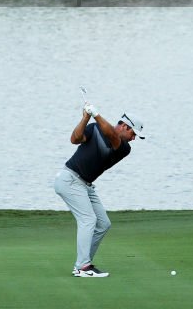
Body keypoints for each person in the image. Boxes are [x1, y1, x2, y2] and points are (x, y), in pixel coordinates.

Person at [54, 102, 145, 278]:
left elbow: (112, 135)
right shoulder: (95, 127)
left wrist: (96, 113)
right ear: (125, 126)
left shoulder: (124, 147)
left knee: (103, 224)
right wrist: (86, 117)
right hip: (70, 180)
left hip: (85, 185)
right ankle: (83, 267)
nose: (133, 138)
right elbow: (74, 139)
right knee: (88, 219)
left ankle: (83, 263)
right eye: (133, 133)